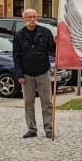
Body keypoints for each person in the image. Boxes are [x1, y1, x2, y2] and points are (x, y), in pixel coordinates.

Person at [13, 8, 56, 139]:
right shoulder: (19, 35)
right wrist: (19, 73)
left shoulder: (45, 32)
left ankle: (48, 128)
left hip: (42, 72)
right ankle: (31, 128)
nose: (32, 20)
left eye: (34, 17)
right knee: (28, 102)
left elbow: (52, 50)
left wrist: (56, 42)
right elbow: (16, 56)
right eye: (29, 17)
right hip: (26, 74)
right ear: (23, 19)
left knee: (47, 101)